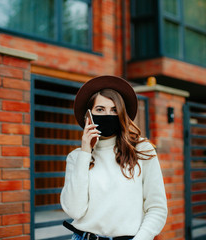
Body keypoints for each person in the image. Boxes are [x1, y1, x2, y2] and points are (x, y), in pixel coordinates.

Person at [61, 75, 167, 240]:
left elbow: (157, 208)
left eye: (114, 110)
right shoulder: (77, 157)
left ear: (122, 114)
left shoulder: (142, 150)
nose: (108, 115)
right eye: (100, 109)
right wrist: (85, 152)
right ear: (88, 115)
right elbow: (74, 210)